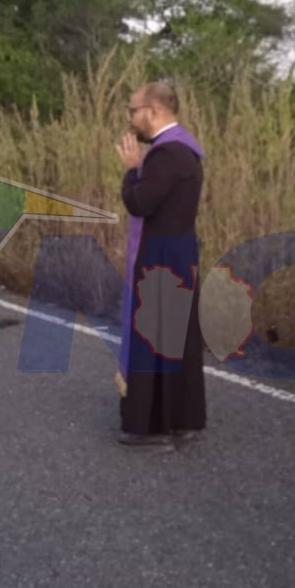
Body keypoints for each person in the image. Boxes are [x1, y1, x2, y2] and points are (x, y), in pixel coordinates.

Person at [114, 82, 206, 453]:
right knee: (176, 342)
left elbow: (140, 203)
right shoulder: (184, 149)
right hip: (177, 251)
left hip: (161, 257)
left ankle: (153, 429)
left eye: (133, 110)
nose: (130, 117)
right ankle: (183, 420)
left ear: (153, 111)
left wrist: (133, 170)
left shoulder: (167, 154)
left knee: (154, 342)